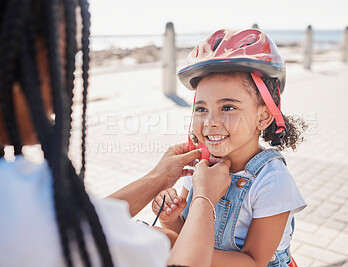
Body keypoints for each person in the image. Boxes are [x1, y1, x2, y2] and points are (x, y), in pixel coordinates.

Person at [0, 0, 231, 266]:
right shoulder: (26, 210)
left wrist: (159, 178)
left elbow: (83, 220)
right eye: (63, 59)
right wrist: (205, 197)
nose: (65, 83)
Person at [152, 28, 307, 266]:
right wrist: (171, 219)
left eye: (227, 108)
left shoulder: (273, 181)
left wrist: (172, 242)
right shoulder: (197, 168)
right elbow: (188, 233)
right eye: (201, 109)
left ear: (263, 117)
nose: (210, 121)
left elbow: (254, 262)